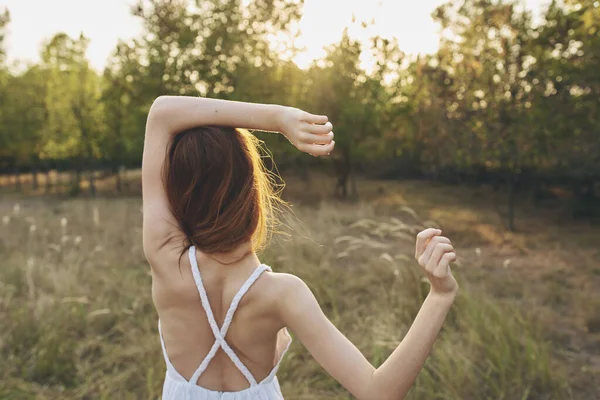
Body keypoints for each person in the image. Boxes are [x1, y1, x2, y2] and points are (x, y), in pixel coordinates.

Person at [142, 96, 459, 400]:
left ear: (179, 194)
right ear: (252, 188)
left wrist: (278, 119)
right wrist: (439, 296)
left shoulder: (166, 257)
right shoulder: (282, 294)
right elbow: (380, 392)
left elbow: (162, 113)